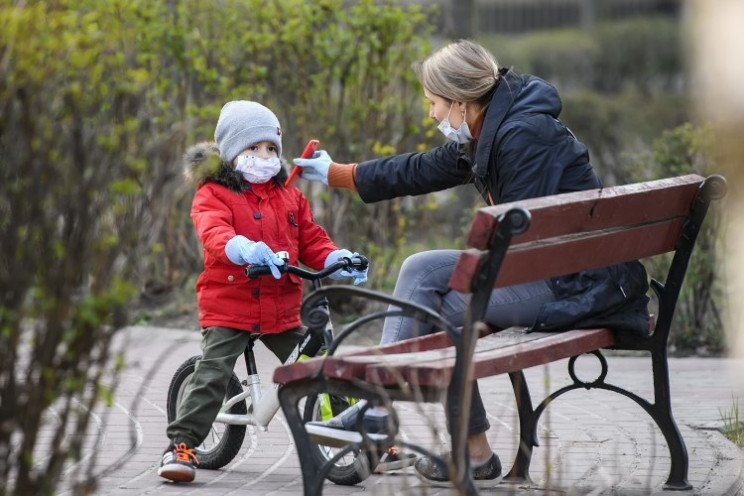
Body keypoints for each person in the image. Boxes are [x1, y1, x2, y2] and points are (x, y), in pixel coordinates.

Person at [294, 40, 651, 485]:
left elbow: (529, 241)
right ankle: (393, 419)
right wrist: (337, 174)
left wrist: (472, 277)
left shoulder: (522, 137)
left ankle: (436, 437)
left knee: (437, 310)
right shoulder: (496, 127)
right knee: (421, 269)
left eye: (433, 104)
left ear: (461, 102)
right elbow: (421, 169)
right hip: (557, 272)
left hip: (577, 287)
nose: (431, 115)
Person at [158, 100, 369, 483]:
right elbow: (213, 232)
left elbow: (311, 238)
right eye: (253, 148)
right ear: (232, 152)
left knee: (324, 360)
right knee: (214, 372)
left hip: (281, 308)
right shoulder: (213, 194)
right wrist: (241, 248)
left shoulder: (289, 196)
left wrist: (338, 256)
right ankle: (182, 445)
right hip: (230, 304)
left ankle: (353, 433)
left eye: (271, 148)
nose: (264, 156)